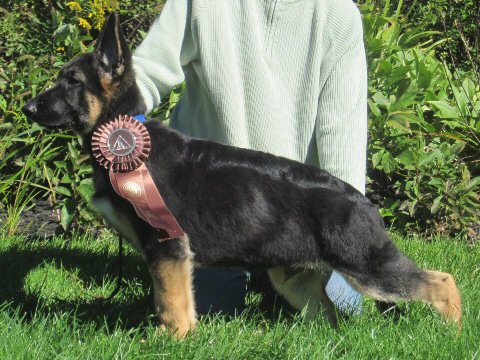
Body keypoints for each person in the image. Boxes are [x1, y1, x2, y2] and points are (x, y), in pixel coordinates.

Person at [132, 0, 367, 316]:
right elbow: (147, 69)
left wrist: (346, 237)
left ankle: (273, 277)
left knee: (344, 307)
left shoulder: (338, 15)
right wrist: (114, 119)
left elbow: (342, 135)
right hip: (209, 213)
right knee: (206, 311)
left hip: (294, 219)